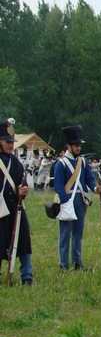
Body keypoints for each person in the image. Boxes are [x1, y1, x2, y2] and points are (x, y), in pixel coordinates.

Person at [53, 125, 101, 270]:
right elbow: (58, 186)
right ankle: (63, 264)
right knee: (65, 234)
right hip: (67, 200)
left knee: (78, 233)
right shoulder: (61, 164)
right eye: (75, 145)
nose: (78, 148)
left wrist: (95, 188)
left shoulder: (83, 162)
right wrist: (64, 203)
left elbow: (89, 179)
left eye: (79, 145)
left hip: (81, 200)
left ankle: (77, 261)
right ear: (68, 146)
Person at [0, 119, 33, 285]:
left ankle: (26, 276)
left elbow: (22, 182)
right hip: (0, 209)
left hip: (16, 207)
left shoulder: (16, 163)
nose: (11, 145)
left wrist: (23, 191)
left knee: (24, 242)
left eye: (12, 142)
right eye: (7, 142)